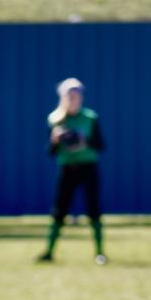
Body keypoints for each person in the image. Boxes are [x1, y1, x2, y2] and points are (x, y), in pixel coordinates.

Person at [37, 77, 107, 264]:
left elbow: (101, 145)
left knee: (93, 209)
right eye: (69, 95)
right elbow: (50, 152)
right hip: (67, 168)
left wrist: (84, 140)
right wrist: (55, 139)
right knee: (59, 210)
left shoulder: (90, 118)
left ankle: (100, 253)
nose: (73, 98)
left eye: (76, 95)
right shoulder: (56, 119)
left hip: (88, 167)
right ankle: (49, 252)